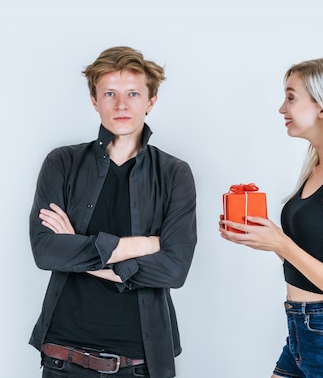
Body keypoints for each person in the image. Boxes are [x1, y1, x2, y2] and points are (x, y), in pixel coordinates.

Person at [28, 46, 197, 378]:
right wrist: (146, 245)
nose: (122, 104)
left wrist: (77, 247)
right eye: (110, 93)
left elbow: (175, 269)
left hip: (141, 363)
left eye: (133, 93)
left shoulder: (174, 173)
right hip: (64, 358)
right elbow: (46, 251)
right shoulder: (61, 163)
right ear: (95, 100)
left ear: (151, 101)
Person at [220, 58, 323, 377]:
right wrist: (266, 242)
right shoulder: (315, 171)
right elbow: (316, 258)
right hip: (300, 333)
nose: (282, 108)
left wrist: (281, 243)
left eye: (291, 97)